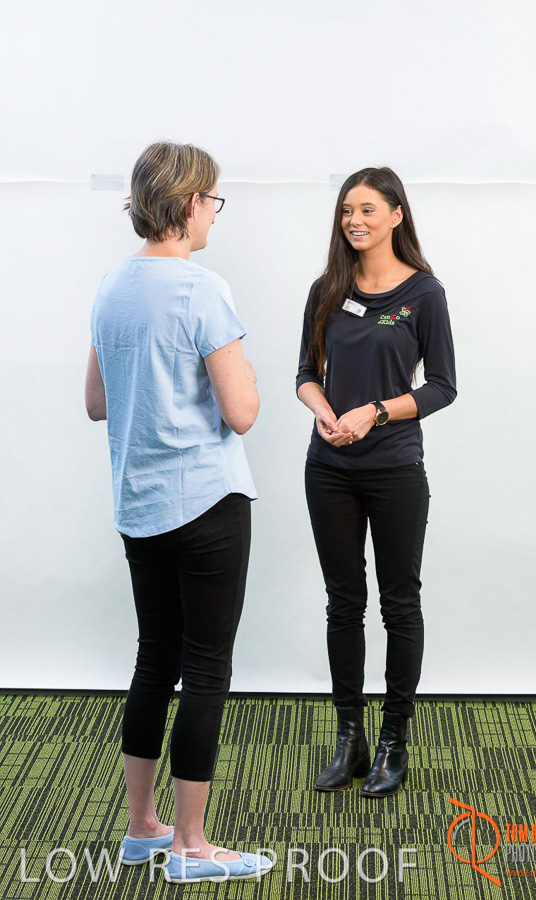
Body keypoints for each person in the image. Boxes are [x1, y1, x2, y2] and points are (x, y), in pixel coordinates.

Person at [85, 140, 273, 883]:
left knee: (153, 659)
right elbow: (243, 411)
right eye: (212, 202)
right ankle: (192, 847)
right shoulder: (202, 290)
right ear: (190, 202)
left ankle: (142, 829)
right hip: (205, 502)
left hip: (139, 505)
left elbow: (96, 402)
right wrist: (243, 371)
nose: (213, 215)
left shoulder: (111, 286)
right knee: (205, 669)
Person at [296, 166, 457, 797]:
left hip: (394, 470)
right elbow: (306, 373)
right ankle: (350, 739)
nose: (354, 221)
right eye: (346, 211)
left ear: (396, 214)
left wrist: (377, 412)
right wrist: (323, 410)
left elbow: (442, 386)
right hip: (328, 469)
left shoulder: (425, 293)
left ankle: (394, 741)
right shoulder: (327, 289)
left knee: (399, 604)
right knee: (343, 603)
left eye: (367, 209)